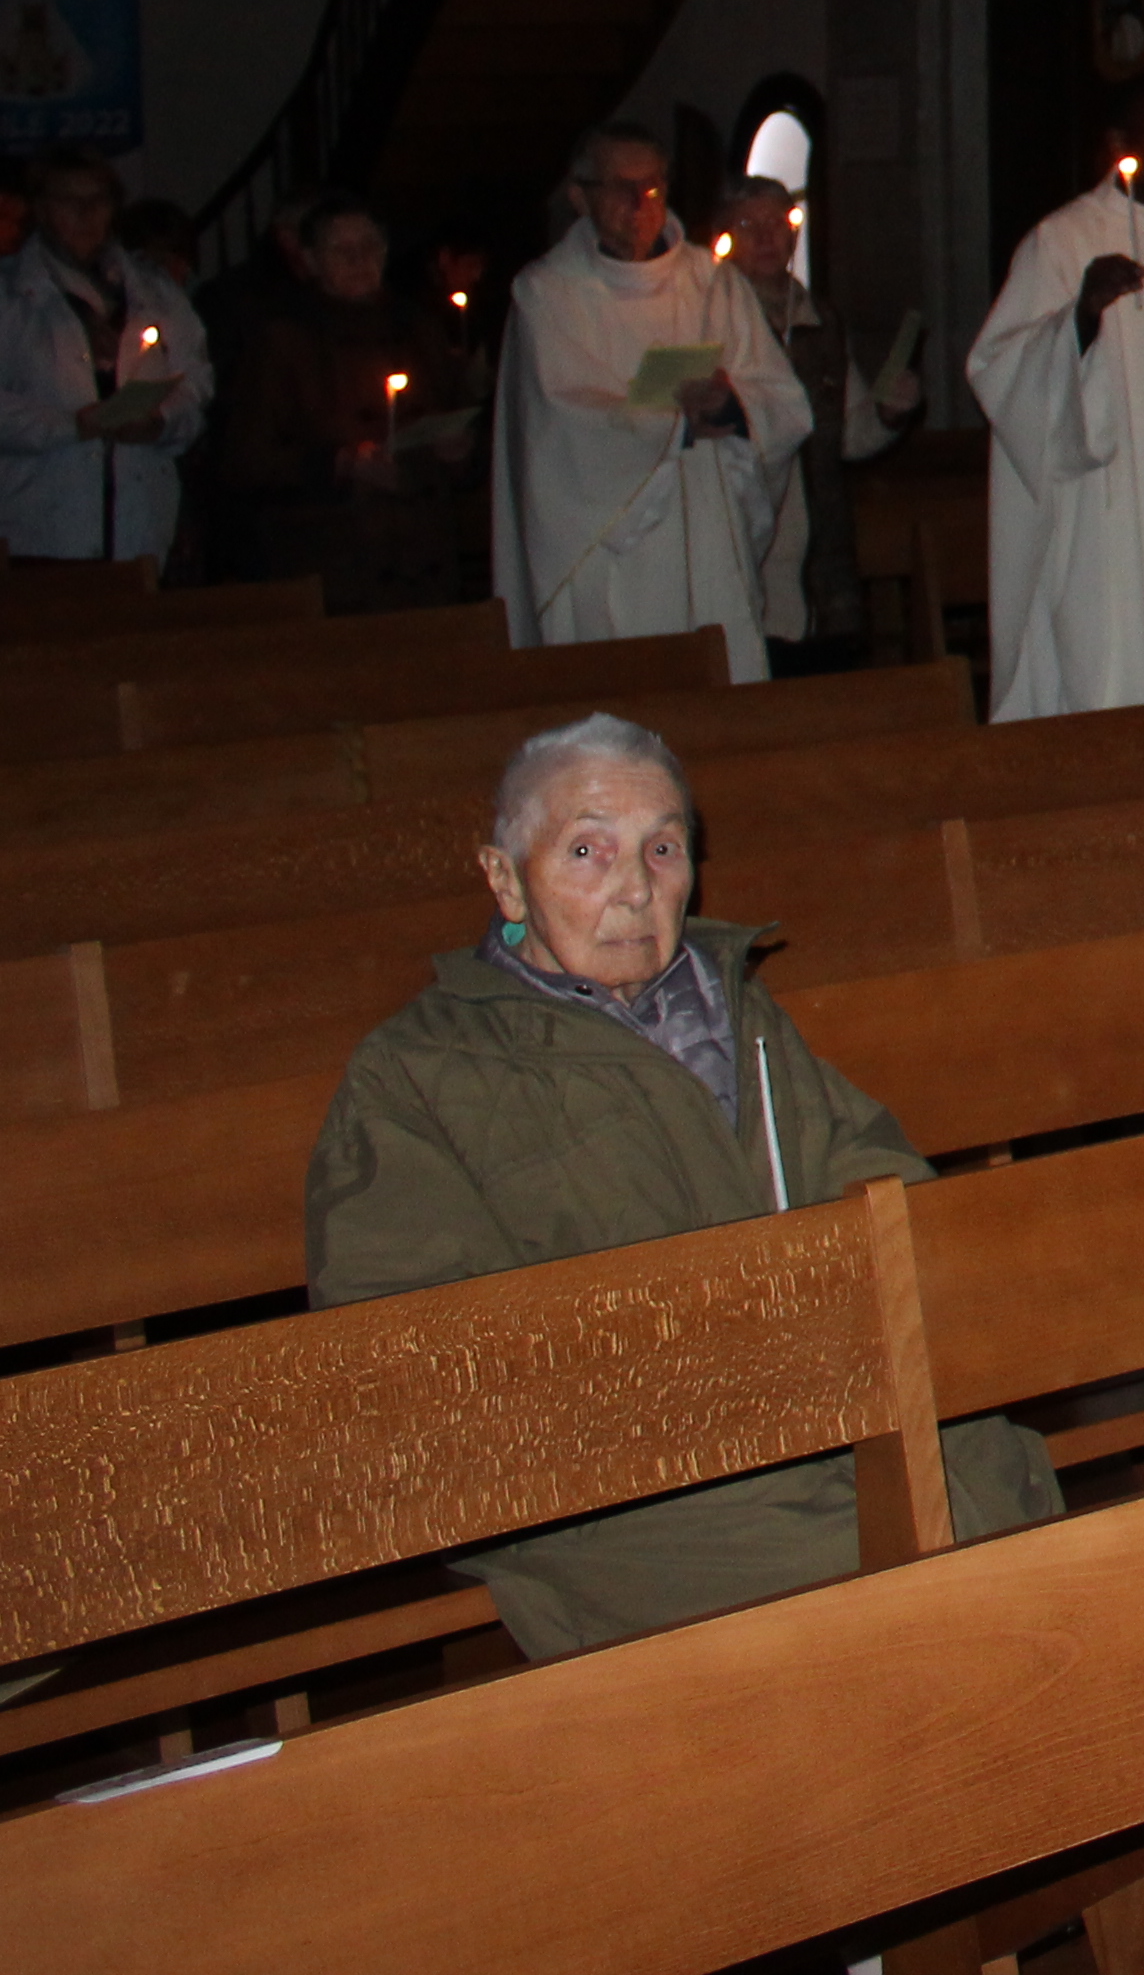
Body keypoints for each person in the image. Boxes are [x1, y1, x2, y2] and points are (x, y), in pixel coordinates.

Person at [305, 714, 1061, 1655]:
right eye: (587, 849)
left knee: (1005, 1482)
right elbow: (406, 1359)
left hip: (832, 1413)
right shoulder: (418, 1074)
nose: (633, 887)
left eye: (662, 848)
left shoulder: (736, 1012)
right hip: (619, 1493)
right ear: (503, 877)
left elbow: (882, 1181)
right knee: (873, 1585)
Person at [491, 128, 808, 675]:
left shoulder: (711, 283)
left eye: (653, 187)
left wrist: (734, 409)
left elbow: (781, 399)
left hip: (706, 524)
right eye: (620, 187)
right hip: (610, 544)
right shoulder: (548, 293)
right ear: (578, 196)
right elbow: (559, 419)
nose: (640, 204)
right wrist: (675, 426)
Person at [968, 86, 1144, 720]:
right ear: (1119, 145)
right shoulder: (1062, 239)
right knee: (1109, 680)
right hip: (1104, 516)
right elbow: (998, 367)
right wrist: (1079, 317)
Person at [204, 192, 477, 611]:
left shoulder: (418, 329)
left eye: (369, 246)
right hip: (336, 557)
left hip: (423, 556)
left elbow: (458, 417)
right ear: (311, 260)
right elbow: (246, 457)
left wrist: (458, 449)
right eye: (341, 250)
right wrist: (339, 463)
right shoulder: (283, 340)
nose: (358, 260)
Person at [716, 177, 912, 674]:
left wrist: (888, 414)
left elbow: (847, 432)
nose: (765, 238)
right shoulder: (710, 324)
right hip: (751, 552)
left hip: (823, 560)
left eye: (777, 224)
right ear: (726, 237)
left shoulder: (819, 320)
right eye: (748, 225)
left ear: (794, 233)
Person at [0, 149, 207, 567]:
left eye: (98, 200)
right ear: (40, 208)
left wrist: (160, 422)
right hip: (39, 527)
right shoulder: (4, 298)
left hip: (139, 525)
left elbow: (194, 383)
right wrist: (70, 425)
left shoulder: (155, 292)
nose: (85, 213)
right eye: (68, 201)